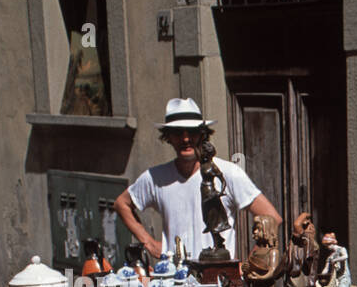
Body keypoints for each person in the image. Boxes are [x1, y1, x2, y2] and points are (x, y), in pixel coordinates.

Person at [114, 97, 281, 262]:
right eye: (178, 132)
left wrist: (249, 266)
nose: (186, 139)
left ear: (202, 135)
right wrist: (149, 243)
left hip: (218, 282)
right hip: (175, 281)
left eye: (192, 132)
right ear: (169, 137)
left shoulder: (228, 172)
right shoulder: (156, 177)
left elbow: (271, 217)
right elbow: (122, 204)